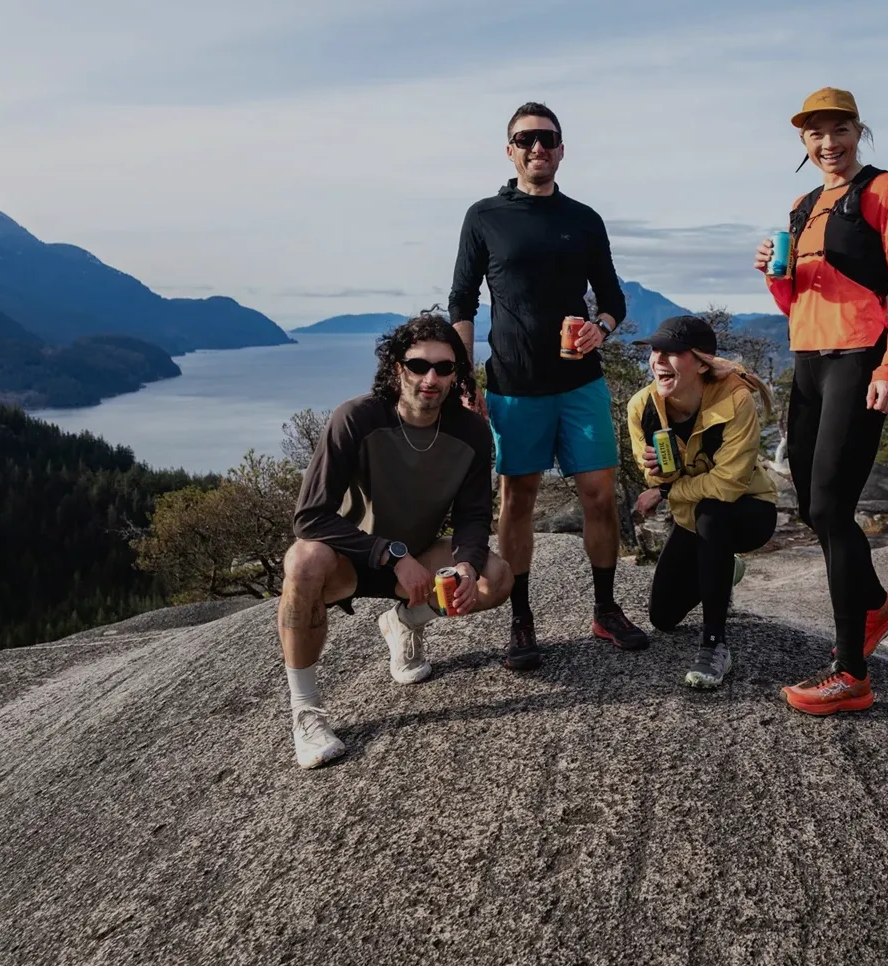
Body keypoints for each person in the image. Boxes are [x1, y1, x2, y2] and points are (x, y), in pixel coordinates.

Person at [448, 100, 649, 671]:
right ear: (509, 149)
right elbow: (461, 301)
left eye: (548, 138)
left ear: (562, 149)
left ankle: (605, 610)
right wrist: (465, 373)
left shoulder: (584, 218)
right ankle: (521, 619)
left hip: (579, 381)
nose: (538, 147)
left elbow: (612, 300)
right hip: (513, 385)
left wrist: (600, 330)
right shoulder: (484, 215)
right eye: (526, 139)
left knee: (600, 497)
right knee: (518, 501)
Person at [276, 313, 514, 768]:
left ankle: (405, 621)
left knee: (495, 577)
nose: (432, 378)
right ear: (397, 367)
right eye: (419, 365)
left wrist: (464, 564)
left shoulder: (471, 432)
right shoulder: (356, 418)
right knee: (302, 561)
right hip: (345, 560)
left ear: (456, 375)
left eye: (445, 368)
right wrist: (389, 553)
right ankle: (305, 713)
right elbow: (309, 517)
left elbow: (473, 516)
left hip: (416, 563)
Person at [754, 87, 888, 715]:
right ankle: (876, 605)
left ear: (859, 130)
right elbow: (793, 302)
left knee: (831, 505)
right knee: (814, 508)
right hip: (807, 363)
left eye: (840, 129)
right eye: (816, 133)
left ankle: (852, 672)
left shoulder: (885, 189)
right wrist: (773, 273)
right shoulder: (800, 207)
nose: (829, 143)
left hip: (859, 359)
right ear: (803, 142)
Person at [628, 316, 779, 690]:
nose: (658, 360)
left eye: (672, 352)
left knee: (713, 513)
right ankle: (725, 568)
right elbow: (655, 477)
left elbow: (728, 485)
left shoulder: (735, 399)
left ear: (700, 362)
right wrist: (659, 479)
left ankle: (715, 644)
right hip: (692, 514)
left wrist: (667, 492)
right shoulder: (642, 408)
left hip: (750, 510)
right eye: (655, 351)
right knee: (662, 616)